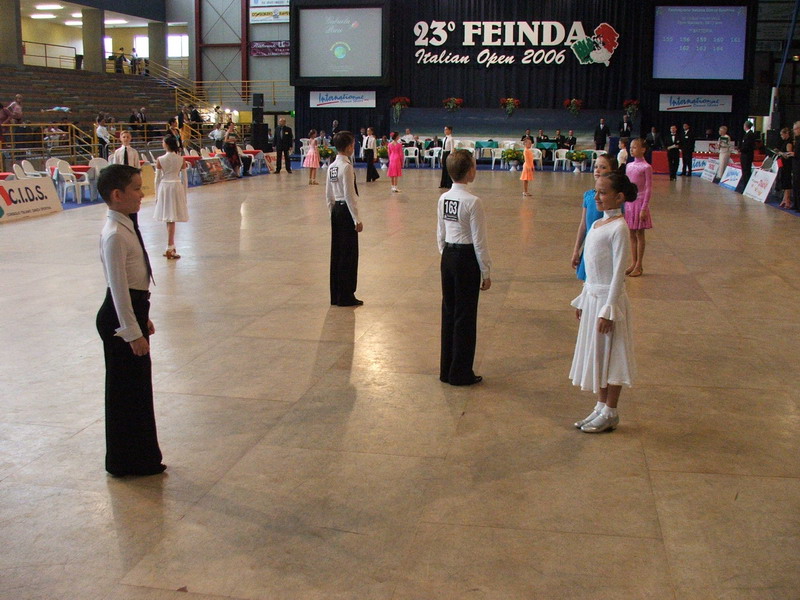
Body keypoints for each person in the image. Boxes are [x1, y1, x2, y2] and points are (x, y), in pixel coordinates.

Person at [96, 164, 166, 476]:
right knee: (126, 392)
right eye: (136, 188)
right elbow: (118, 288)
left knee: (137, 390)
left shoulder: (126, 225)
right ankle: (126, 461)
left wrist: (142, 317)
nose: (141, 194)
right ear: (117, 194)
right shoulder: (114, 234)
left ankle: (140, 456)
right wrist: (131, 331)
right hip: (119, 317)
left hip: (133, 311)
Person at [570, 171, 637, 433]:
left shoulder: (619, 228)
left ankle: (611, 410)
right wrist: (583, 297)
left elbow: (618, 272)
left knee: (613, 353)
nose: (596, 197)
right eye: (596, 191)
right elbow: (592, 267)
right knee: (598, 354)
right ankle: (600, 405)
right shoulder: (599, 223)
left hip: (609, 302)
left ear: (619, 197)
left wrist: (609, 309)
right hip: (593, 297)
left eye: (602, 192)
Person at [437, 149, 491, 386]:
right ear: (470, 171)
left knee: (449, 311)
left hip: (448, 256)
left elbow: (440, 232)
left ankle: (447, 368)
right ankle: (460, 372)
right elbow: (479, 241)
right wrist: (485, 271)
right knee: (465, 315)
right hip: (466, 259)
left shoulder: (444, 198)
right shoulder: (473, 202)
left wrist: (446, 254)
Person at [326, 131, 363, 307]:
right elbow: (349, 195)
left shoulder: (332, 166)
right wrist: (356, 218)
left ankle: (337, 294)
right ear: (348, 147)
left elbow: (328, 194)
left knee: (338, 253)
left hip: (336, 211)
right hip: (346, 212)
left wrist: (331, 213)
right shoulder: (347, 167)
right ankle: (347, 294)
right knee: (348, 254)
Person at [571, 154, 620, 281]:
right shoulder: (589, 196)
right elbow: (583, 225)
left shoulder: (613, 199)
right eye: (595, 167)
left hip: (604, 251)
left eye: (603, 167)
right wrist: (576, 250)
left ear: (612, 171)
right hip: (589, 247)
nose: (597, 170)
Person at [153, 135, 189, 259]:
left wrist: (156, 195)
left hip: (165, 187)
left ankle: (170, 246)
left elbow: (157, 179)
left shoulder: (160, 159)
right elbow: (185, 179)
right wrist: (184, 194)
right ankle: (170, 246)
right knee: (170, 217)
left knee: (169, 217)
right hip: (176, 186)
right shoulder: (181, 159)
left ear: (167, 144)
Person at [623, 138, 653, 277]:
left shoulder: (646, 167)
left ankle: (639, 265)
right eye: (631, 147)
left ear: (643, 149)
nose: (632, 149)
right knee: (631, 234)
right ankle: (633, 262)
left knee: (639, 234)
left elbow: (648, 188)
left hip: (640, 203)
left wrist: (644, 207)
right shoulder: (629, 166)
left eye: (635, 147)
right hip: (630, 203)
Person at [777, 127, 794, 209]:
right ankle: (785, 199)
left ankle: (787, 200)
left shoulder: (789, 143)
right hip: (783, 164)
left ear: (786, 134)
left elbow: (788, 155)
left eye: (782, 134)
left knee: (787, 181)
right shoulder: (785, 142)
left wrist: (780, 153)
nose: (781, 136)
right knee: (784, 181)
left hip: (787, 165)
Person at [737, 121, 756, 193]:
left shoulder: (750, 134)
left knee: (746, 171)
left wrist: (741, 149)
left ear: (745, 126)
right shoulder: (747, 134)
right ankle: (745, 185)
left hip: (747, 156)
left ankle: (746, 187)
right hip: (745, 155)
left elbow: (748, 146)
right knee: (745, 171)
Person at [792, 121, 800, 211]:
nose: (794, 131)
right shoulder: (797, 140)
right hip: (795, 165)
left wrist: (793, 154)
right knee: (795, 185)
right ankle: (796, 204)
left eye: (795, 129)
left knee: (798, 185)